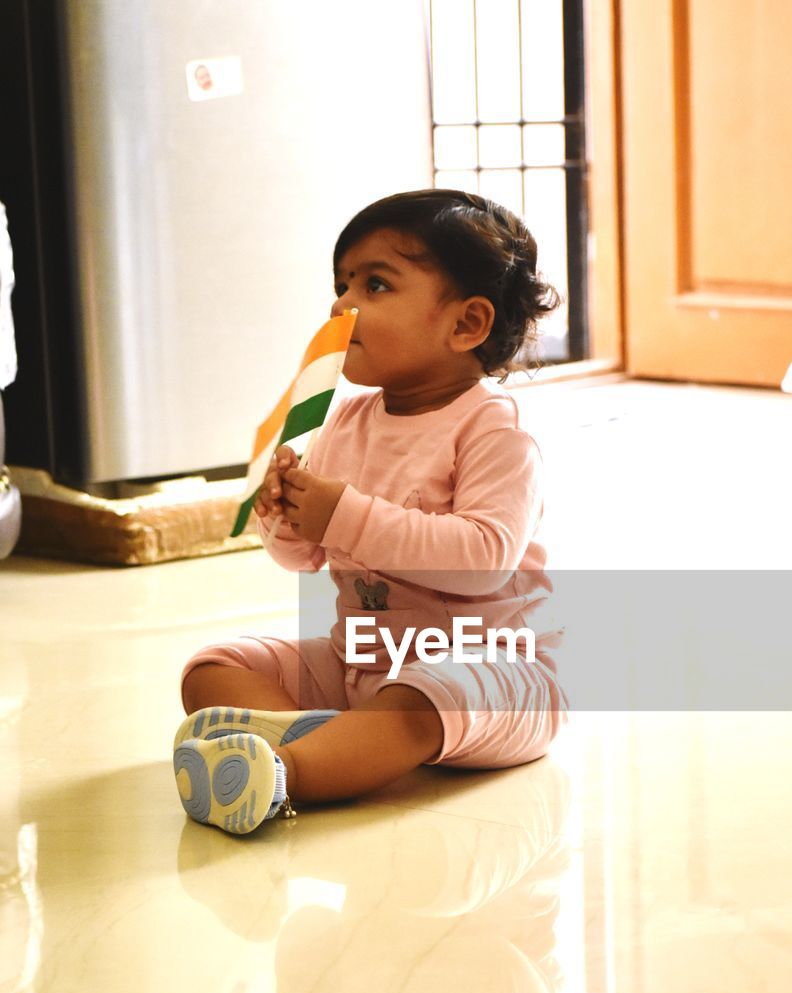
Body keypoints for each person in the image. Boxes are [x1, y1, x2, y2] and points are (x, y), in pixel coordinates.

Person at [172, 189, 570, 834]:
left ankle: (283, 775)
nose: (341, 304)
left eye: (375, 284)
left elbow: (484, 563)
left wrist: (341, 514)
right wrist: (284, 513)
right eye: (341, 283)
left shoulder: (493, 429)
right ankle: (324, 743)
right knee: (217, 666)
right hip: (363, 660)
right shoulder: (346, 421)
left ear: (467, 325)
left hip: (493, 671)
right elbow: (305, 557)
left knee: (418, 698)